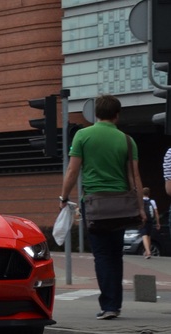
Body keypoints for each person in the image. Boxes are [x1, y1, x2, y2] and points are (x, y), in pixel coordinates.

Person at [59, 94, 146, 320]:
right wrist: (141, 208)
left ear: (96, 114)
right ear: (117, 115)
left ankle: (108, 305)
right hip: (121, 205)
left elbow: (72, 171)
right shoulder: (127, 140)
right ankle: (114, 305)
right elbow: (135, 176)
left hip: (95, 204)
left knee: (102, 256)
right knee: (116, 255)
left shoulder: (83, 136)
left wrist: (64, 196)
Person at [140, 187, 160, 259]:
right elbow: (156, 212)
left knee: (144, 235)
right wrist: (158, 223)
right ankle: (147, 250)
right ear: (149, 193)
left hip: (143, 220)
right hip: (150, 220)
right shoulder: (152, 201)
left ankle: (148, 252)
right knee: (148, 235)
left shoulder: (140, 201)